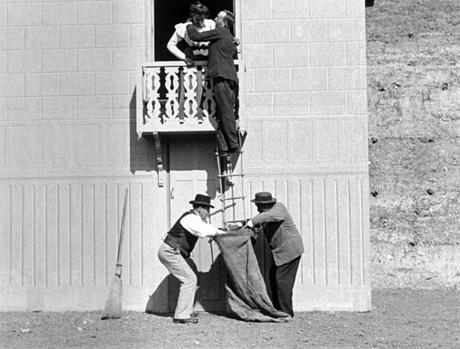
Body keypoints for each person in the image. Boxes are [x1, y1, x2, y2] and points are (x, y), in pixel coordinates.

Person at [158, 194, 226, 324]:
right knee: (190, 279)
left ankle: (185, 311)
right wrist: (222, 233)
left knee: (190, 276)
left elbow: (206, 228)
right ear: (199, 208)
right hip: (170, 251)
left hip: (172, 251)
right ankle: (181, 316)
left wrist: (218, 231)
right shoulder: (191, 218)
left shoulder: (193, 218)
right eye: (207, 209)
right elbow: (202, 231)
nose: (208, 212)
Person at [186, 10, 240, 157]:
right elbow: (232, 50)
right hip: (227, 77)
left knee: (226, 112)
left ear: (225, 22)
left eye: (218, 17)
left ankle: (233, 144)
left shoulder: (220, 32)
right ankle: (224, 148)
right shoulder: (227, 36)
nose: (215, 18)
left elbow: (195, 36)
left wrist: (189, 24)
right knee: (223, 112)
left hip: (222, 77)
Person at [245, 192, 304, 317]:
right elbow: (263, 220)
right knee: (274, 279)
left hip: (290, 251)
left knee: (282, 281)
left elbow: (272, 216)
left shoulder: (278, 209)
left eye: (257, 205)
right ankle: (277, 309)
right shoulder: (266, 214)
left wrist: (253, 221)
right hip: (282, 253)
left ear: (263, 205)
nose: (256, 208)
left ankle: (286, 312)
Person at [167, 2, 215, 66]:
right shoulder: (184, 27)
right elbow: (170, 45)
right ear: (192, 16)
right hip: (191, 62)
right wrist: (184, 57)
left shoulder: (210, 24)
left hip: (209, 62)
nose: (200, 22)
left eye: (202, 19)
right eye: (197, 20)